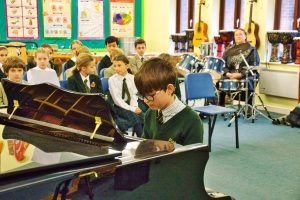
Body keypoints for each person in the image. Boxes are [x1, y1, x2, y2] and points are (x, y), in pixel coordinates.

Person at [134, 58, 203, 145]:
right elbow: (144, 145)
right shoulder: (150, 113)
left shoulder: (191, 120)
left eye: (150, 95)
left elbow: (194, 157)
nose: (145, 100)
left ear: (169, 89)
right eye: (142, 95)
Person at [218, 28, 260, 108]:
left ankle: (249, 107)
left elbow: (254, 65)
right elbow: (223, 64)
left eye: (240, 34)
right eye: (236, 35)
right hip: (230, 74)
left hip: (246, 74)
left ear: (245, 36)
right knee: (221, 80)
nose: (238, 36)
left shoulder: (252, 49)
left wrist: (240, 74)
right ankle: (221, 104)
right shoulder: (228, 49)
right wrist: (227, 73)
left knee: (249, 81)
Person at [108, 55, 144, 137]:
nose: (116, 68)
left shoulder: (133, 78)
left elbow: (134, 95)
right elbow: (117, 100)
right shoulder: (112, 80)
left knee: (144, 117)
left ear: (127, 66)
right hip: (119, 107)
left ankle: (147, 139)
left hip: (132, 105)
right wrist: (132, 109)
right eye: (115, 66)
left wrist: (135, 107)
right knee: (136, 119)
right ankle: (143, 141)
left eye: (119, 65)